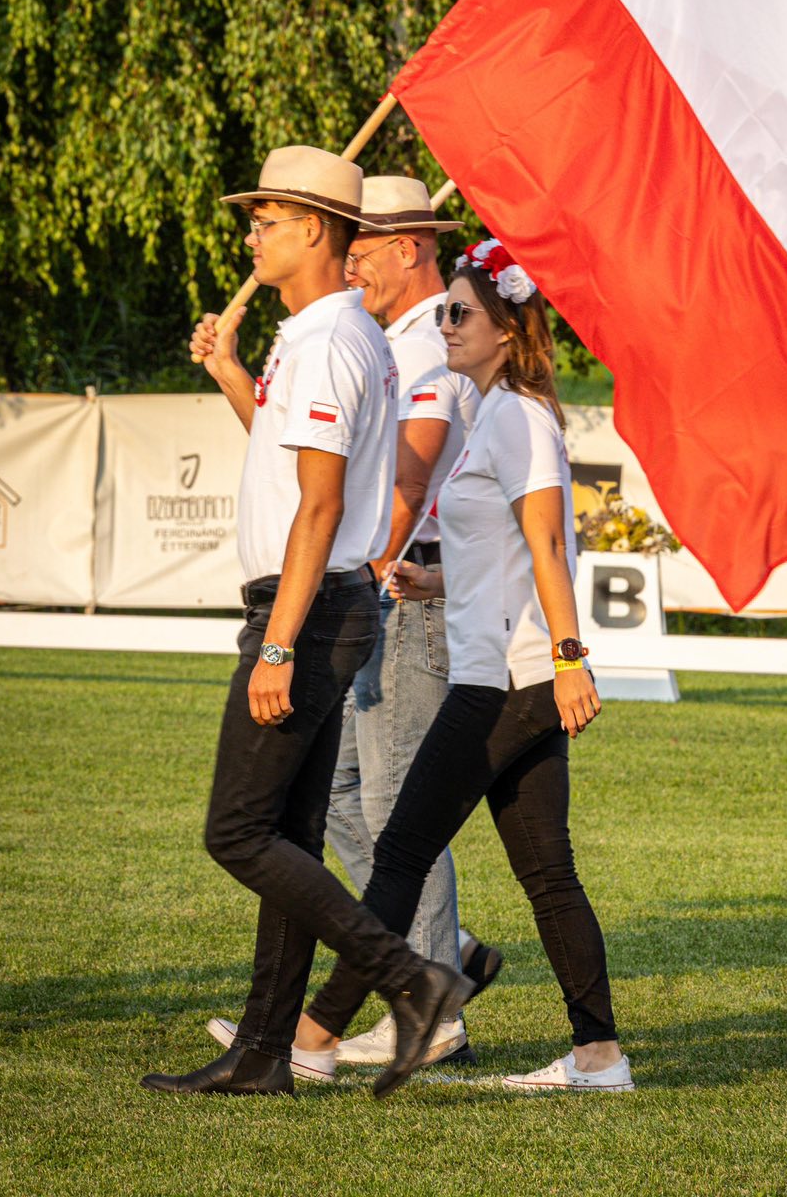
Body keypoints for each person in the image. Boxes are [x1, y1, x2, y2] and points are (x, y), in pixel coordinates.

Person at [140, 145, 471, 1101]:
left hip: (310, 609)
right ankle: (263, 1053)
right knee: (287, 831)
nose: (252, 236)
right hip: (326, 604)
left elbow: (321, 508)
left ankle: (413, 981)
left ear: (316, 228)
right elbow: (294, 470)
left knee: (238, 833)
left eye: (267, 220)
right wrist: (231, 372)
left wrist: (278, 642)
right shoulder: (331, 334)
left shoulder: (331, 340)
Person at [299, 234, 634, 1091]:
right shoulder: (495, 414)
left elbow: (549, 547)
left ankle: (313, 1036)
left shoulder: (517, 416)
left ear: (507, 331)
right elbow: (509, 557)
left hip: (503, 682)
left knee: (401, 852)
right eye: (445, 311)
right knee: (548, 875)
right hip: (510, 674)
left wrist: (571, 659)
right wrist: (436, 579)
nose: (445, 324)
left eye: (461, 313)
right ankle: (599, 1055)